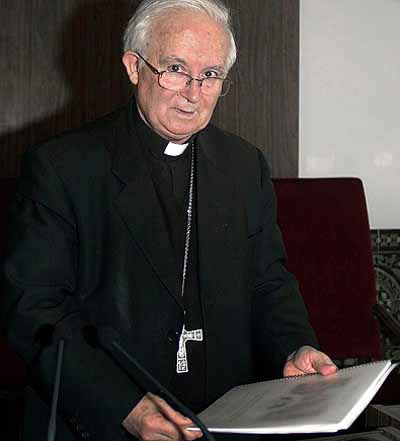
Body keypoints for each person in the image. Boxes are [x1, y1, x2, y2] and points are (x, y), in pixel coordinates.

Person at [1, 0, 337, 440]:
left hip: (225, 419)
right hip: (100, 423)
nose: (193, 93)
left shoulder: (243, 166)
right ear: (134, 67)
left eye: (210, 75)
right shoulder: (63, 167)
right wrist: (123, 406)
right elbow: (35, 309)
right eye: (176, 69)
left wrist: (294, 345)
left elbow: (268, 281)